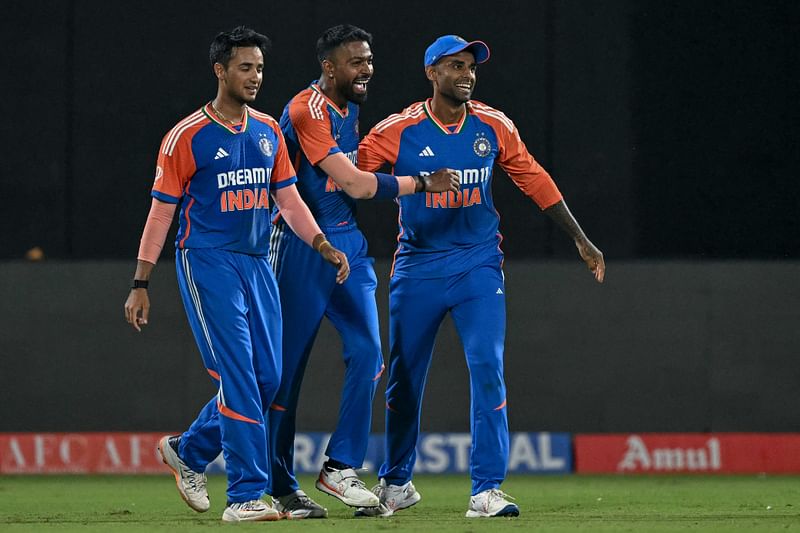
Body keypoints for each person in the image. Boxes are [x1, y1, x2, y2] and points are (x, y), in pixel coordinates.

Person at [356, 35, 605, 518]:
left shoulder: (493, 125)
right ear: (431, 72)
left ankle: (486, 489)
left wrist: (579, 236)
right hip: (418, 267)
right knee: (405, 379)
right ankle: (396, 483)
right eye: (455, 66)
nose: (467, 74)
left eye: (471, 67)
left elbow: (532, 177)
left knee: (487, 366)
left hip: (478, 265)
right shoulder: (398, 130)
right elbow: (352, 178)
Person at [123, 26, 350, 523]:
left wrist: (321, 242)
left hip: (256, 264)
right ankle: (246, 494)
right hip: (207, 262)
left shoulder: (268, 130)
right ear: (220, 70)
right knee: (241, 377)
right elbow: (161, 213)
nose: (254, 77)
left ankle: (188, 450)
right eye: (245, 67)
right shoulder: (187, 136)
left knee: (268, 377)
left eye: (260, 68)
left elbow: (287, 199)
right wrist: (141, 282)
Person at [267, 25, 459, 519]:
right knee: (282, 377)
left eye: (369, 59)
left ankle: (339, 467)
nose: (367, 69)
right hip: (302, 244)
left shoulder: (350, 107)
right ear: (329, 66)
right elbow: (352, 182)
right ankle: (259, 475)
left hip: (347, 243)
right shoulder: (304, 110)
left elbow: (353, 183)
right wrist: (422, 183)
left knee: (369, 352)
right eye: (356, 61)